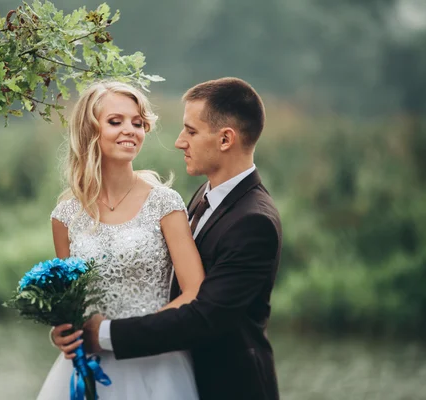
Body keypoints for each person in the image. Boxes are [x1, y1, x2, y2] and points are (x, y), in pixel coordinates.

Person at [55, 77, 282, 400]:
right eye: (115, 121)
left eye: (190, 131)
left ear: (225, 139)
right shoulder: (206, 194)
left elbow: (204, 315)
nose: (179, 141)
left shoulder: (253, 220)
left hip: (226, 386)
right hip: (119, 366)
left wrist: (104, 334)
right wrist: (66, 332)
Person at [37, 80, 205, 399]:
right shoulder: (65, 215)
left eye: (138, 123)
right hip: (89, 368)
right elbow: (70, 305)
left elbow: (195, 292)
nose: (131, 129)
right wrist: (60, 333)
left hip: (156, 365)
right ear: (90, 130)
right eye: (116, 121)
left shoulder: (164, 203)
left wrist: (125, 335)